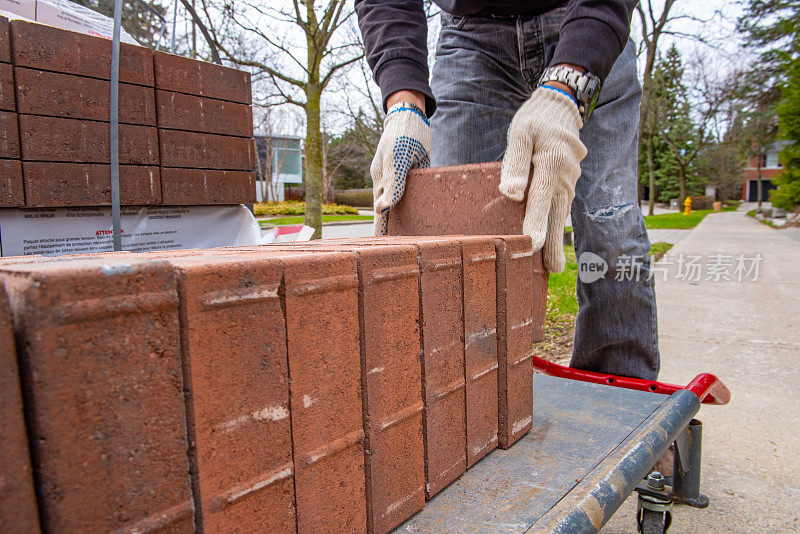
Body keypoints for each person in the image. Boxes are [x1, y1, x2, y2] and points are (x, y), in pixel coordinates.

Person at [355, 0, 659, 381]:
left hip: (584, 19)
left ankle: (623, 399)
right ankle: (468, 397)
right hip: (470, 38)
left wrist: (571, 83)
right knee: (454, 241)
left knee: (609, 229)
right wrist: (403, 101)